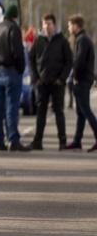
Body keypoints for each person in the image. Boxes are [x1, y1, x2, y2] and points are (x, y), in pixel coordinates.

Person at [0, 4, 31, 151]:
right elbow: (17, 52)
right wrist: (20, 69)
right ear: (15, 16)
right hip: (11, 71)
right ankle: (13, 140)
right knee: (12, 107)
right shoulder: (14, 29)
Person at [29, 13, 73, 149]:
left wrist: (62, 78)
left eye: (49, 23)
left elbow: (69, 61)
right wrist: (35, 78)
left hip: (57, 83)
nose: (46, 26)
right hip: (42, 83)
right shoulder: (38, 40)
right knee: (41, 113)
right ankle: (37, 142)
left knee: (59, 112)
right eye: (44, 23)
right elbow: (31, 59)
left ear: (54, 25)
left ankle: (62, 142)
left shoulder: (62, 41)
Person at [65, 14, 97, 151]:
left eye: (70, 25)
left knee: (86, 110)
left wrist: (75, 77)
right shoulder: (82, 39)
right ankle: (77, 140)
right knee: (80, 112)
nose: (68, 28)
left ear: (76, 26)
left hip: (82, 80)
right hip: (83, 79)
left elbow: (79, 61)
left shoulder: (82, 40)